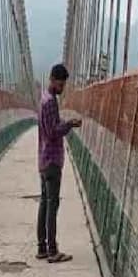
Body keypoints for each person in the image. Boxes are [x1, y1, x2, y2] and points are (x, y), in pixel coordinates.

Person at [36, 64, 81, 263]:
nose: (63, 88)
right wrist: (69, 124)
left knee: (45, 203)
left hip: (43, 159)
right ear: (53, 80)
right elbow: (52, 132)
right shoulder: (50, 102)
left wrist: (63, 122)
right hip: (52, 160)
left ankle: (42, 247)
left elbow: (49, 127)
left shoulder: (44, 99)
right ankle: (53, 251)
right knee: (52, 205)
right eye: (61, 84)